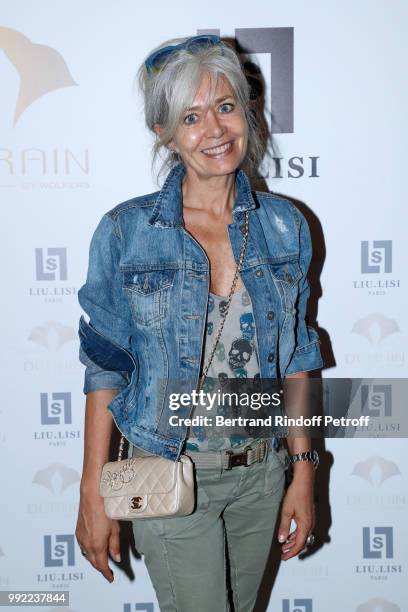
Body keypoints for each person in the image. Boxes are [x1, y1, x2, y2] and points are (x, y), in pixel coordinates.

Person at [75, 35, 323, 612]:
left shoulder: (286, 227)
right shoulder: (126, 232)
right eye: (191, 116)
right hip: (167, 473)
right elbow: (104, 367)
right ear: (165, 132)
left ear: (247, 112)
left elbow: (299, 359)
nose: (214, 128)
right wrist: (91, 488)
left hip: (261, 476)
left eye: (226, 106)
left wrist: (304, 471)